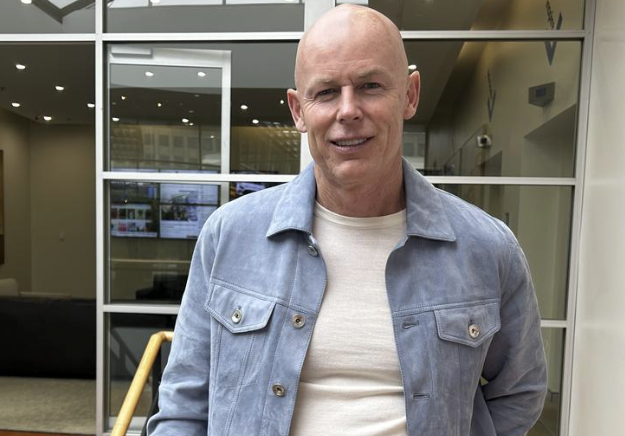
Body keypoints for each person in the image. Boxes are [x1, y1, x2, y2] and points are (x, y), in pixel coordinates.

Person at [147, 5, 546, 436]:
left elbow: (520, 391)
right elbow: (183, 404)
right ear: (298, 110)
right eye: (326, 92)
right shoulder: (229, 236)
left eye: (370, 85)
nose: (348, 110)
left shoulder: (486, 248)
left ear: (410, 94)